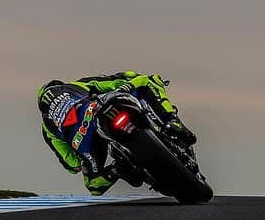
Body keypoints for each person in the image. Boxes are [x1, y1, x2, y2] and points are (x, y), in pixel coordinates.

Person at [36, 71, 196, 195]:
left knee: (94, 185)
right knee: (148, 80)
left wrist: (83, 159)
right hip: (95, 109)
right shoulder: (74, 86)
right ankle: (172, 120)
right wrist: (128, 78)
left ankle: (118, 169)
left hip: (83, 139)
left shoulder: (47, 128)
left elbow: (72, 165)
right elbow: (113, 82)